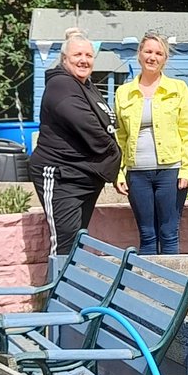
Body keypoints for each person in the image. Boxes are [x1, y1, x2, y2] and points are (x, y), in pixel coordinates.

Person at [28, 29, 122, 255]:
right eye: (77, 55)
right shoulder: (61, 85)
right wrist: (115, 153)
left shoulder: (86, 85)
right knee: (64, 242)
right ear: (64, 59)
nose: (84, 60)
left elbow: (107, 123)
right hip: (61, 176)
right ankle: (57, 280)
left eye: (88, 55)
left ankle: (71, 279)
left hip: (84, 177)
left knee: (77, 241)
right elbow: (88, 127)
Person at [114, 32, 188, 254]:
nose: (152, 57)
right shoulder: (124, 93)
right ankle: (148, 277)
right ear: (139, 54)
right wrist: (119, 172)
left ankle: (170, 278)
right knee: (147, 234)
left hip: (170, 172)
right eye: (148, 51)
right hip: (137, 173)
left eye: (159, 53)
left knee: (169, 233)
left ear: (165, 59)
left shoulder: (178, 89)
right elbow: (119, 137)